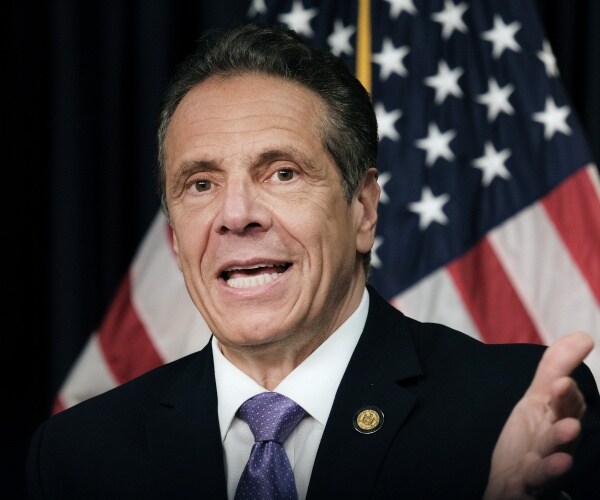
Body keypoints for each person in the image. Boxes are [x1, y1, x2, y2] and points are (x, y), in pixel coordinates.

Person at [27, 22, 600, 499]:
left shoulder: (517, 409)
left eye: (282, 173)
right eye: (200, 184)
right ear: (175, 240)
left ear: (363, 210)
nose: (235, 215)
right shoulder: (78, 459)